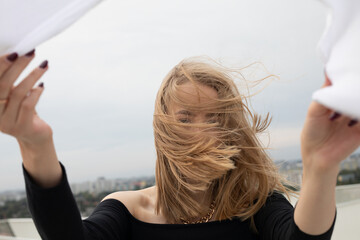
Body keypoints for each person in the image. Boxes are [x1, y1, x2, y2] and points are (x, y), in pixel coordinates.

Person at [0, 50, 359, 240]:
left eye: (215, 118)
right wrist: (36, 144)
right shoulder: (129, 209)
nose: (199, 133)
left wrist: (321, 166)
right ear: (162, 129)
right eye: (185, 118)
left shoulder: (256, 206)